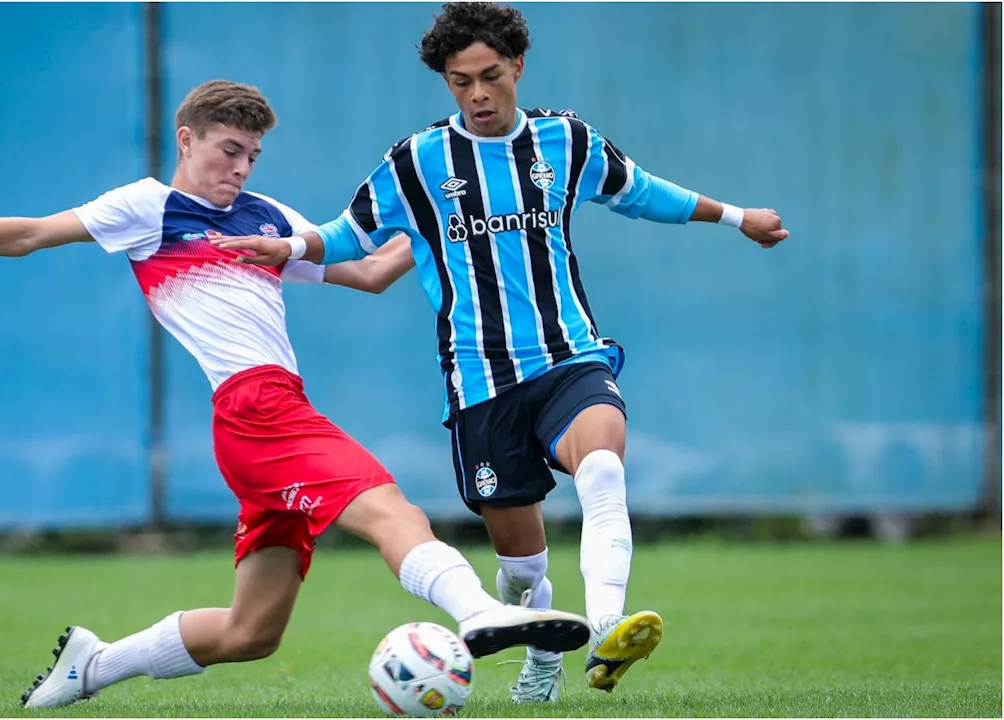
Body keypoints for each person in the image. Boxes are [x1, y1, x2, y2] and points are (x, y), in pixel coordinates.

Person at [0, 79, 593, 710]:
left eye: (253, 155)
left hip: (264, 420)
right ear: (186, 136)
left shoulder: (269, 219)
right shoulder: (148, 207)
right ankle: (479, 613)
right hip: (258, 412)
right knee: (393, 509)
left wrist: (436, 221)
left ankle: (95, 664)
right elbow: (29, 233)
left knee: (250, 633)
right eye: (230, 150)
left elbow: (364, 272)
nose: (241, 167)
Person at [212, 2, 791, 703]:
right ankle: (542, 651)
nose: (478, 94)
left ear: (517, 66)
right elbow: (348, 237)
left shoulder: (565, 141)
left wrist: (737, 218)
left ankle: (607, 624)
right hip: (482, 383)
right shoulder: (418, 161)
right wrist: (291, 246)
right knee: (522, 568)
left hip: (570, 357)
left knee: (603, 466)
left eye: (490, 76)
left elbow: (639, 193)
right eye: (461, 82)